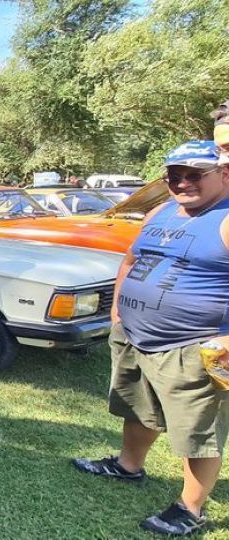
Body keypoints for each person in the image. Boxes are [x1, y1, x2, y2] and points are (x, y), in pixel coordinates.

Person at [72, 140, 229, 536]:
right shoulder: (161, 210)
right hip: (135, 334)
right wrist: (116, 311)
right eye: (174, 175)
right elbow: (130, 258)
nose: (183, 182)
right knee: (138, 406)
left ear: (223, 175)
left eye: (195, 175)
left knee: (199, 430)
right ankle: (128, 466)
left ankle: (190, 508)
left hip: (194, 343)